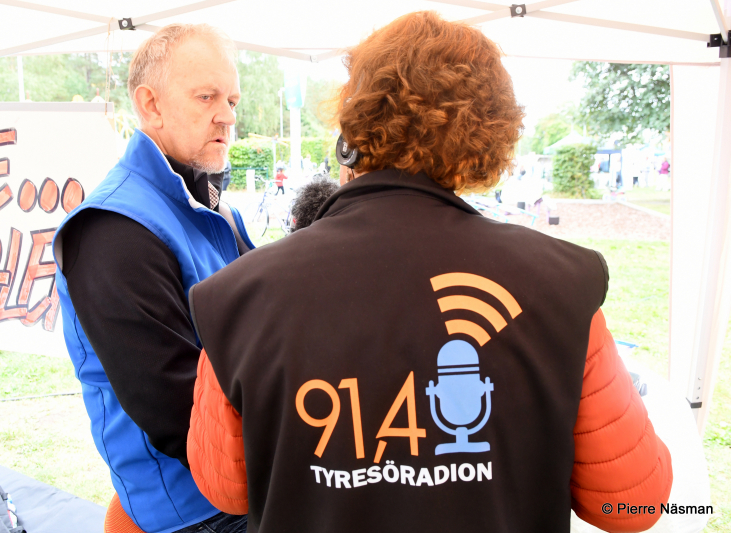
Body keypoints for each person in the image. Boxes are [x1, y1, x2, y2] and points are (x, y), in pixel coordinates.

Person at [185, 12, 672, 533]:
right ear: (489, 133)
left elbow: (224, 487)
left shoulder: (240, 297)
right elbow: (633, 503)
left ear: (351, 135)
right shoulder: (561, 284)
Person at [52, 23, 249, 533]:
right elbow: (177, 413)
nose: (228, 116)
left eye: (232, 100)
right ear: (151, 105)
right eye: (206, 97)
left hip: (245, 472)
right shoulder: (113, 230)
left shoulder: (213, 208)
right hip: (198, 507)